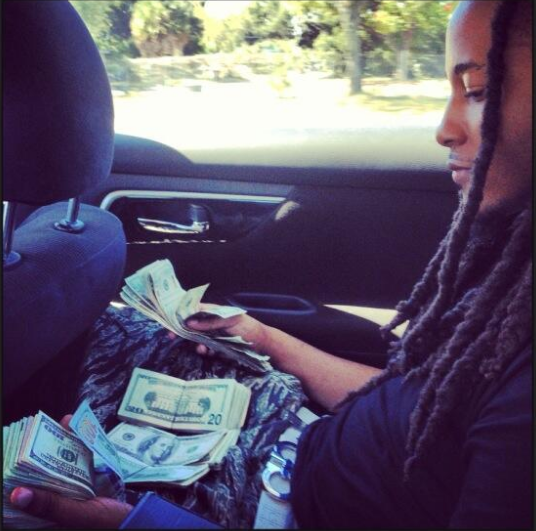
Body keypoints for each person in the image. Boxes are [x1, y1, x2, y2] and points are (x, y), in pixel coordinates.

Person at [9, 0, 532, 528]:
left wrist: (126, 522)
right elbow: (410, 406)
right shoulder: (513, 297)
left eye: (478, 91)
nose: (444, 129)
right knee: (118, 332)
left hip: (257, 505)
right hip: (287, 427)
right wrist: (266, 339)